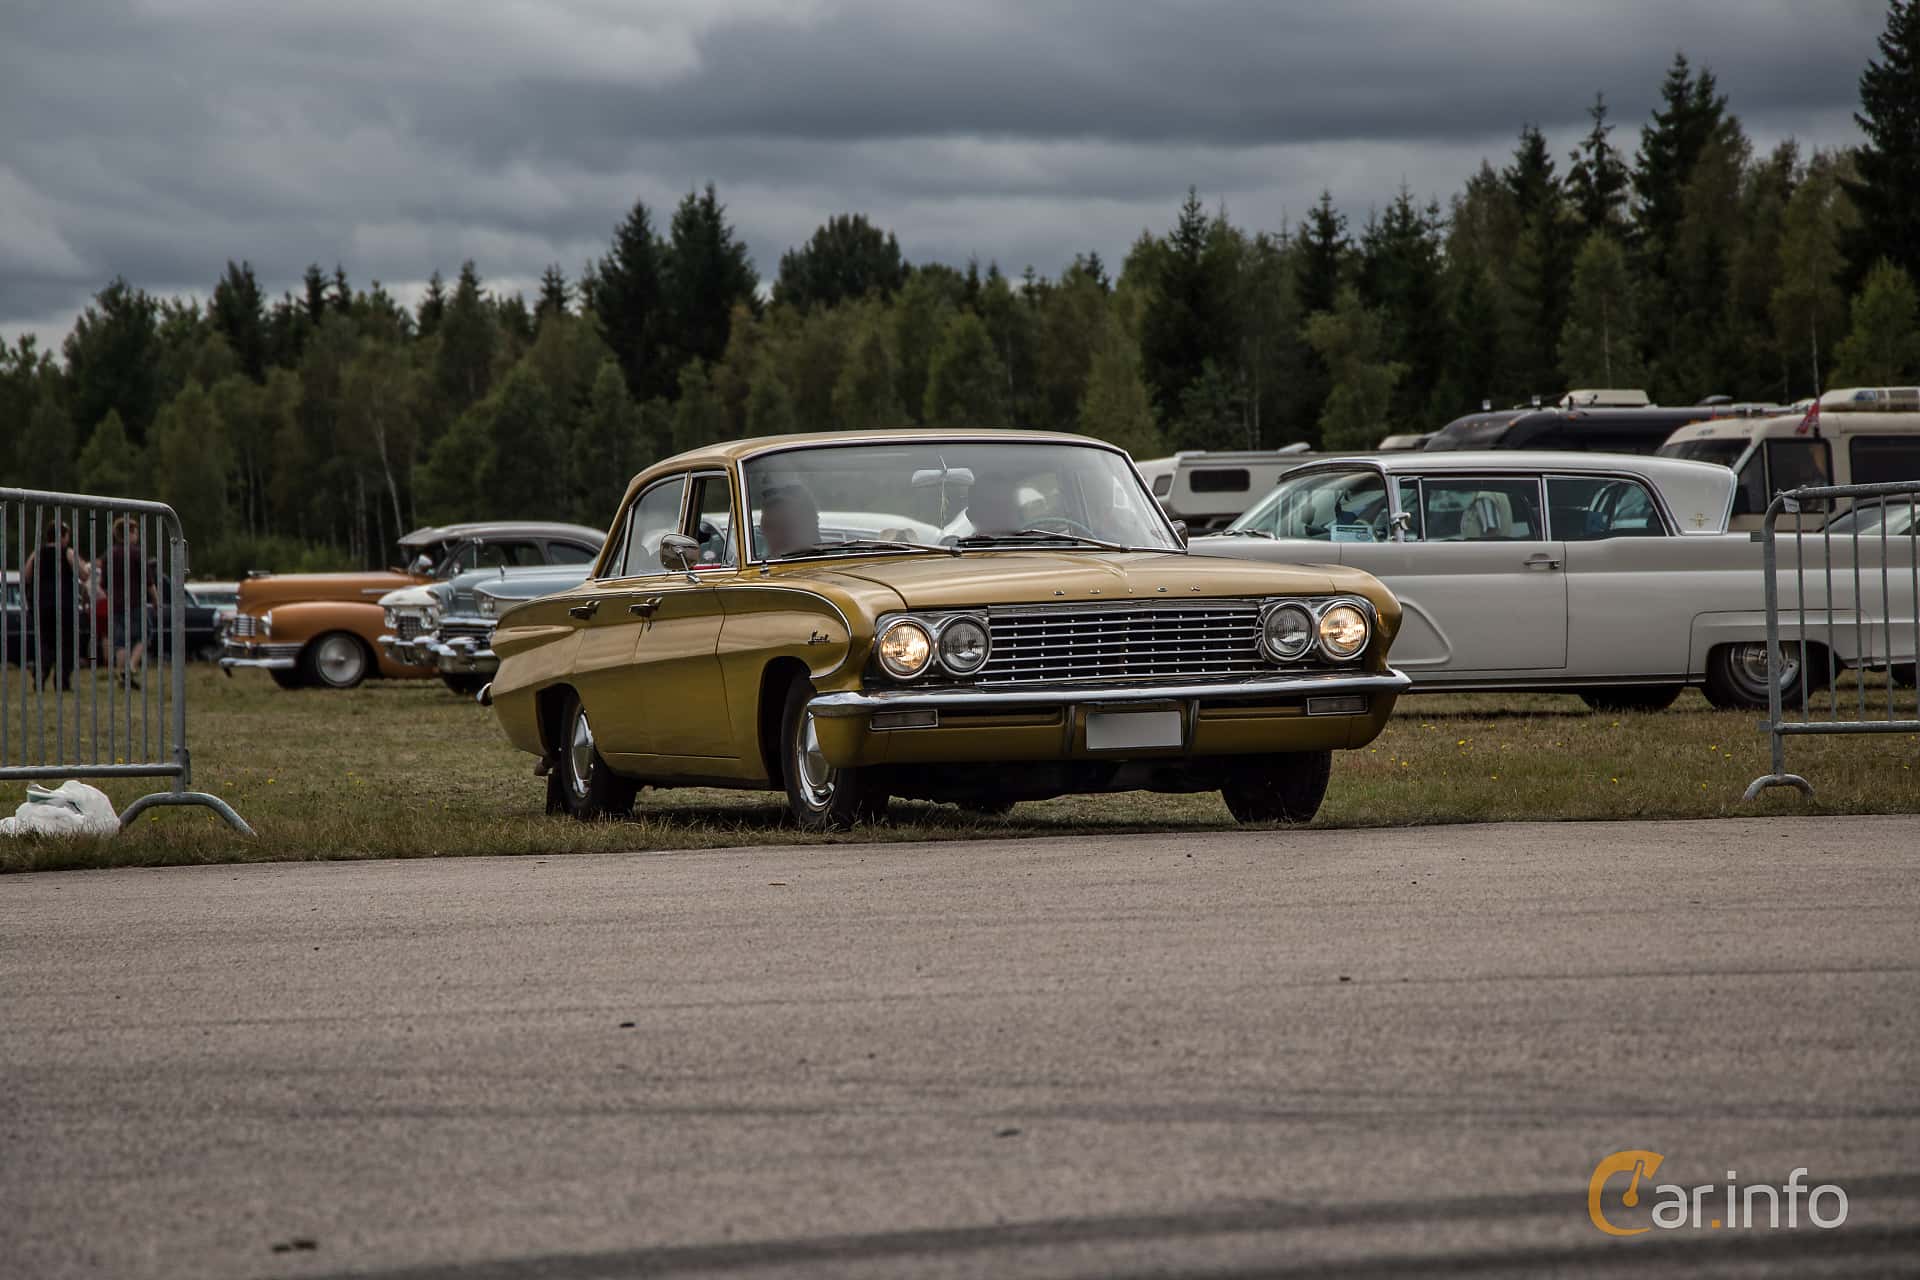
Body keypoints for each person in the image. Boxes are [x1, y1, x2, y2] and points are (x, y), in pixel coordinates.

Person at [21, 517, 90, 691]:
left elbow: (26, 575)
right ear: (63, 536)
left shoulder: (38, 552)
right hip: (64, 605)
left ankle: (40, 675)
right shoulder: (67, 552)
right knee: (67, 643)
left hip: (42, 605)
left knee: (45, 642)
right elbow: (84, 575)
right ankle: (62, 680)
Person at [102, 518, 157, 689]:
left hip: (116, 604)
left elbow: (104, 584)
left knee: (120, 642)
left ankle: (122, 677)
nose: (137, 536)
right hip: (135, 602)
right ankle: (131, 666)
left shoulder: (108, 555)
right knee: (144, 634)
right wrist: (156, 600)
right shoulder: (136, 553)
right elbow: (148, 581)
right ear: (130, 533)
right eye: (136, 532)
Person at [760, 485, 821, 559]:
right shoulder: (760, 564)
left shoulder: (827, 561)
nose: (777, 535)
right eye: (770, 526)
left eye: (786, 525)